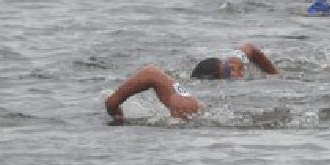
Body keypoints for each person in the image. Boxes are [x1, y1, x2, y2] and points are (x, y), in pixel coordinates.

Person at [105, 43, 278, 123]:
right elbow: (151, 73)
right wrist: (113, 104)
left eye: (230, 66)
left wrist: (274, 76)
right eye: (227, 72)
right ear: (213, 80)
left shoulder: (234, 63)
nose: (236, 71)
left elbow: (250, 48)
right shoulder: (189, 99)